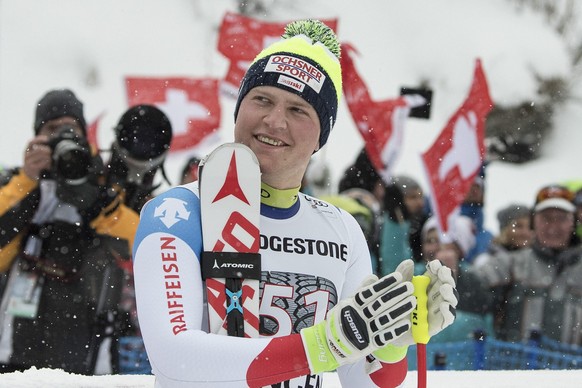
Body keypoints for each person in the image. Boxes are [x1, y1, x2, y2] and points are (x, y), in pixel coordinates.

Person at [132, 20, 458, 388]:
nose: (274, 121)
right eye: (262, 100)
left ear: (321, 135)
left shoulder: (343, 229)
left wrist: (389, 343)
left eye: (298, 110)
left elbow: (360, 382)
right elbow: (175, 356)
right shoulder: (176, 213)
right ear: (239, 110)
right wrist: (323, 345)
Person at [0, 89, 139, 374]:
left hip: (89, 342)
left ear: (84, 133)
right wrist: (26, 181)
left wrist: (96, 201)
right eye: (53, 129)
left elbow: (139, 242)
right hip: (16, 344)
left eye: (71, 127)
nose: (63, 135)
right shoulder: (17, 182)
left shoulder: (107, 180)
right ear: (38, 137)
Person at [472, 184, 582, 344]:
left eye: (561, 218)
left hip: (573, 368)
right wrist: (450, 270)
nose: (553, 227)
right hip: (517, 366)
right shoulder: (512, 264)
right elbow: (470, 289)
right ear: (533, 222)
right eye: (546, 218)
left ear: (574, 223)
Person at [105, 104, 173, 212]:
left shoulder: (156, 211)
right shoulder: (156, 211)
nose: (142, 142)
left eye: (149, 139)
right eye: (136, 137)